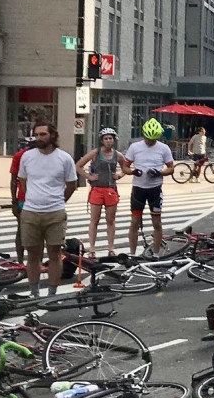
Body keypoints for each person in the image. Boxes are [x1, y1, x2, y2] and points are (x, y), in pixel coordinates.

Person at [16, 122, 77, 297]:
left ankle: (51, 294)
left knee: (55, 255)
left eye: (43, 134)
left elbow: (71, 184)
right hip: (30, 212)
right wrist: (31, 198)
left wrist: (59, 201)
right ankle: (34, 292)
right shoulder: (27, 157)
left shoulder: (64, 158)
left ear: (52, 135)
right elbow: (22, 181)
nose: (39, 138)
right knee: (33, 255)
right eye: (36, 135)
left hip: (55, 213)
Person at [123, 118, 175, 255]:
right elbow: (125, 167)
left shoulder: (164, 148)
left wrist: (159, 172)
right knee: (134, 222)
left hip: (155, 190)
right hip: (138, 189)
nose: (149, 142)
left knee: (156, 223)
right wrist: (133, 171)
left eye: (152, 140)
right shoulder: (135, 147)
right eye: (147, 139)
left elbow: (171, 169)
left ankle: (156, 253)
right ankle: (132, 253)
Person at [77, 128, 128, 257]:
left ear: (114, 140)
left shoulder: (118, 155)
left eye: (110, 138)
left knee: (110, 220)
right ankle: (92, 249)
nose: (108, 140)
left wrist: (120, 175)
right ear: (102, 140)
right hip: (97, 189)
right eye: (106, 138)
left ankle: (111, 248)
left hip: (111, 189)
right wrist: (89, 176)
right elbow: (78, 166)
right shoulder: (95, 153)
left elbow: (126, 168)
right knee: (94, 220)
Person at [9, 137, 36, 263]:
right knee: (26, 232)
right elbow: (14, 180)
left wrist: (14, 201)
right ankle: (27, 261)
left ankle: (23, 261)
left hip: (25, 200)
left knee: (22, 231)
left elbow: (14, 180)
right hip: (25, 200)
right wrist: (14, 201)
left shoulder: (20, 155)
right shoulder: (20, 156)